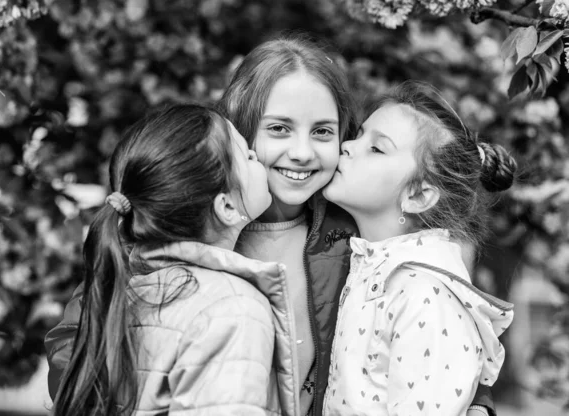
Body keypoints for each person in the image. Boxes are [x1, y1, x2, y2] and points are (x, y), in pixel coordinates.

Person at [46, 35, 497, 416]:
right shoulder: (181, 226)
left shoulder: (361, 238)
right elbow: (79, 340)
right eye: (279, 129)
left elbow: (426, 355)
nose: (302, 152)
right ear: (240, 132)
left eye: (323, 132)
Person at [50, 104, 300, 416]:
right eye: (248, 156)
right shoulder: (233, 309)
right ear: (226, 207)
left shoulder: (122, 286)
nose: (259, 159)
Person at [321, 81, 516, 415]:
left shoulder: (425, 295)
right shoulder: (371, 265)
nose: (348, 146)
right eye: (359, 135)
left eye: (377, 148)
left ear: (418, 196)